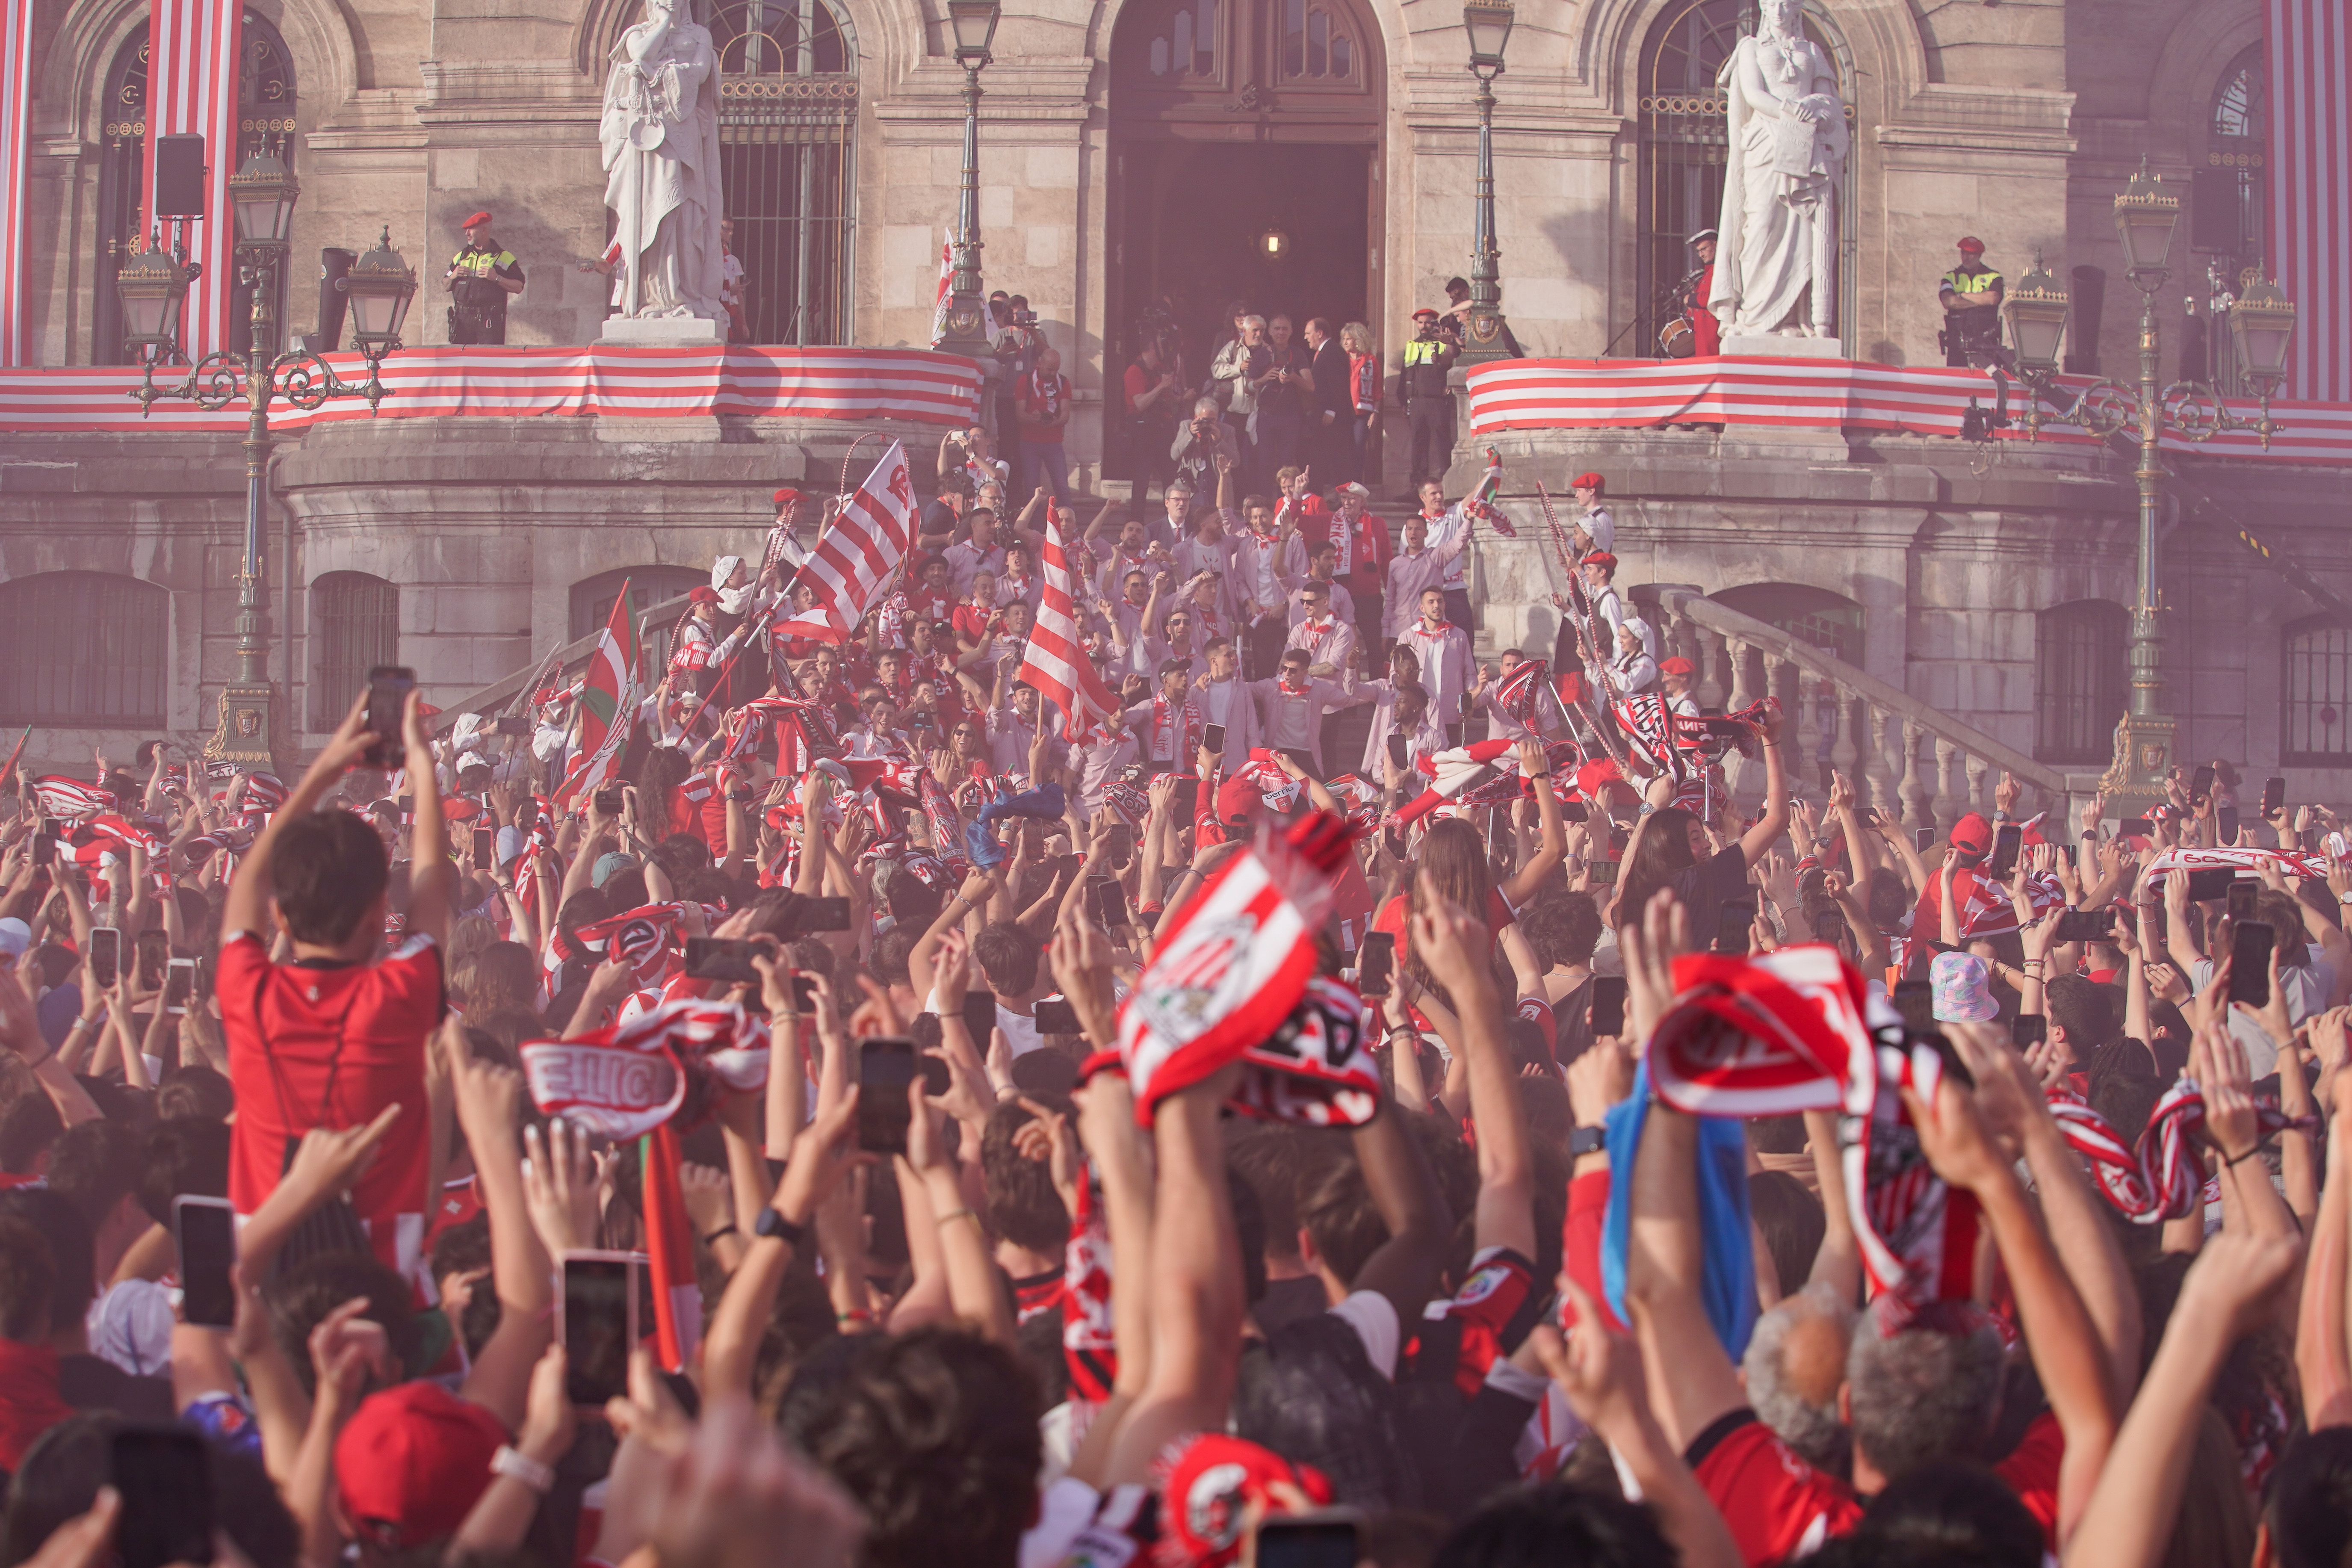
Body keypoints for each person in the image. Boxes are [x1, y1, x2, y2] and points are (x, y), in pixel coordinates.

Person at [1398, 309, 1458, 497]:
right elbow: (1405, 373)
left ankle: (1447, 485)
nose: (1425, 326)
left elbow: (1452, 361)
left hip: (1437, 401)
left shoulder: (1443, 344)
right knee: (1418, 445)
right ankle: (1417, 488)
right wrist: (1401, 399)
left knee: (1442, 444)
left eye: (1429, 323)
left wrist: (1448, 343)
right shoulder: (1412, 345)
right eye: (1421, 323)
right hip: (1416, 402)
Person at [446, 211, 524, 345]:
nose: (467, 234)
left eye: (471, 230)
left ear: (483, 231)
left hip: (489, 321)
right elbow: (445, 284)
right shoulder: (461, 257)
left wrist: (497, 278)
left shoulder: (503, 257)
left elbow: (519, 287)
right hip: (463, 321)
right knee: (461, 362)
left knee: (488, 361)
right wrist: (454, 275)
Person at [1016, 347, 1072, 506]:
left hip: (1054, 442)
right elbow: (1020, 415)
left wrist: (1053, 422)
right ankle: (1032, 526)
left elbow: (1065, 415)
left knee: (1062, 487)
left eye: (1056, 369)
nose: (1053, 373)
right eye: (1049, 369)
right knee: (1031, 490)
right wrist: (1033, 418)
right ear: (1039, 363)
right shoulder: (1025, 381)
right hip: (1030, 442)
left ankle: (1070, 524)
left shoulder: (1063, 382)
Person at [1939, 237, 2006, 368]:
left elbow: (1993, 299)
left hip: (1986, 342)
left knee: (1987, 383)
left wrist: (1961, 296)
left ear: (1979, 255)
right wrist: (1981, 300)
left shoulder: (1993, 277)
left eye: (1971, 254)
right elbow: (1949, 302)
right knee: (1957, 382)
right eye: (1963, 253)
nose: (1966, 257)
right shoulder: (1951, 277)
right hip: (1957, 341)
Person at [1303, 318, 1352, 481]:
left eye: (1309, 333)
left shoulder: (1333, 352)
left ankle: (1343, 497)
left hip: (1334, 418)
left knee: (1337, 460)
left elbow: (1338, 384)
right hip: (1324, 416)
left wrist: (1332, 410)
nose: (1306, 337)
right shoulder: (1325, 352)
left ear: (1320, 333)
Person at [1339, 322, 1383, 484]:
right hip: (1343, 413)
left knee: (1358, 450)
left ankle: (1356, 486)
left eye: (1349, 339)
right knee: (1343, 451)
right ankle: (1342, 486)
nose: (1345, 342)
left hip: (1362, 414)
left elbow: (1378, 389)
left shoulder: (1370, 361)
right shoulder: (1341, 359)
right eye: (1343, 339)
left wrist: (1375, 413)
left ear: (1358, 340)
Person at [1687, 229, 1721, 357]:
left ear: (1716, 245)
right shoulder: (1708, 272)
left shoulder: (1720, 270)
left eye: (1704, 249)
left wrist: (1690, 299)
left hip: (1713, 333)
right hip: (1703, 334)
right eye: (1699, 251)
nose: (1701, 255)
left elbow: (1713, 298)